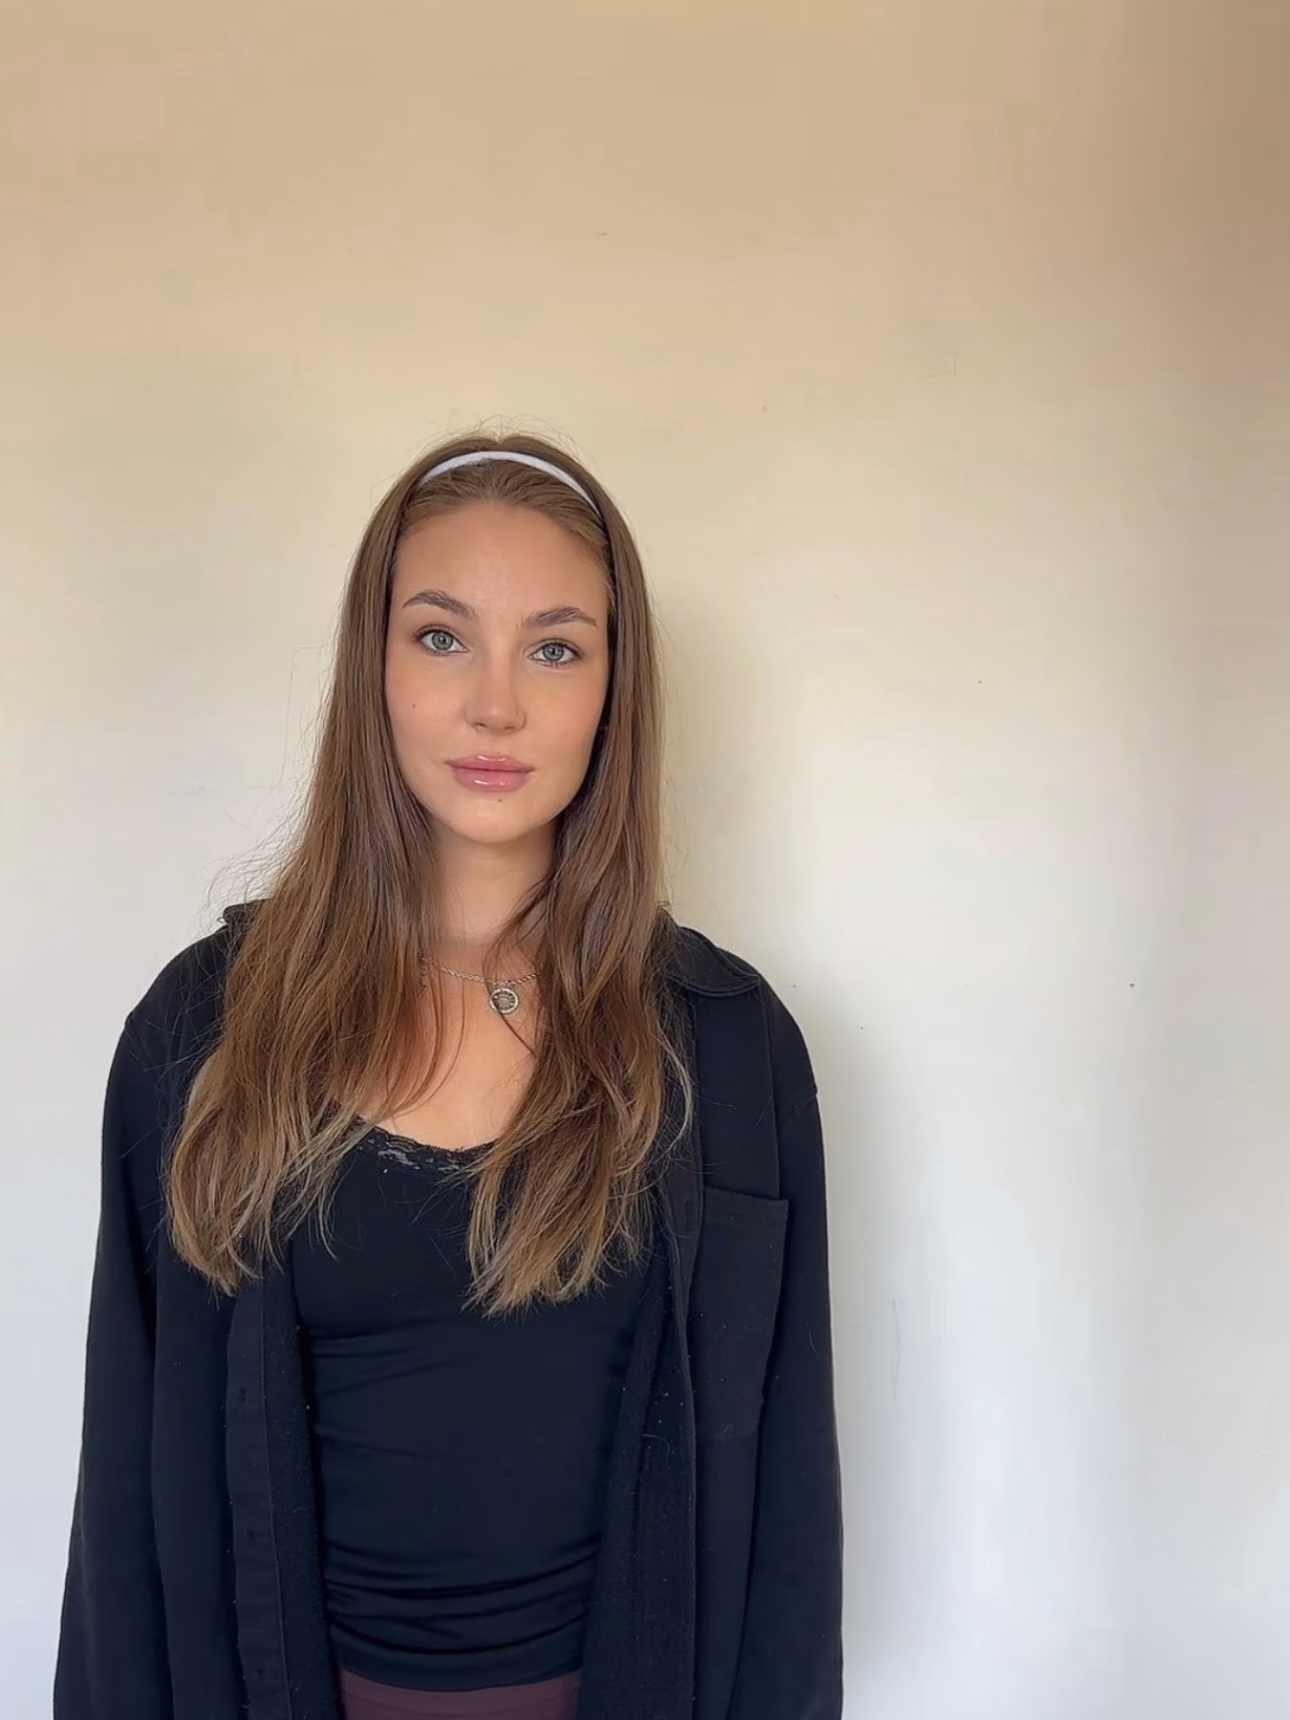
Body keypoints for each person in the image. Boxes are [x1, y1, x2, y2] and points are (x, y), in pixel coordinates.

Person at [54, 433, 843, 1720]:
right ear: (372, 670)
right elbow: (129, 1495)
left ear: (617, 689)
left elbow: (790, 1510)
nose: (495, 705)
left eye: (555, 648)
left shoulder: (728, 1043)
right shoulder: (206, 1027)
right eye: (439, 637)